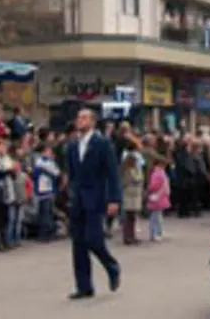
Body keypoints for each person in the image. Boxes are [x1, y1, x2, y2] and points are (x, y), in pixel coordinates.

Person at [66, 108, 121, 300]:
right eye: (78, 117)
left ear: (93, 122)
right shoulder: (73, 145)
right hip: (78, 199)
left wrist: (114, 198)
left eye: (84, 118)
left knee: (94, 239)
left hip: (96, 198)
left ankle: (112, 266)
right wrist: (70, 194)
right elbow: (72, 174)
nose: (80, 121)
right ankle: (84, 286)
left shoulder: (102, 144)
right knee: (78, 243)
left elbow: (112, 173)